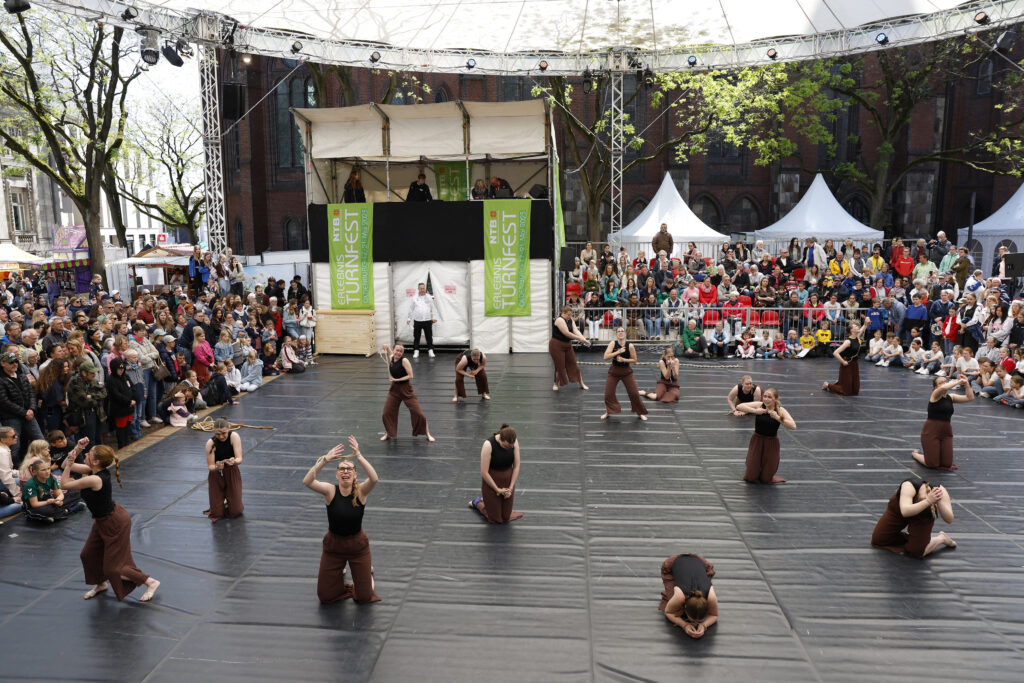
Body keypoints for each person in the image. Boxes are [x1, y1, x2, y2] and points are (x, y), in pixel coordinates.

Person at [59, 443, 160, 601]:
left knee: (114, 568)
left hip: (114, 522)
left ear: (96, 461)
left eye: (88, 453)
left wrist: (71, 462)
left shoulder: (94, 479)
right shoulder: (91, 470)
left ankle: (150, 581)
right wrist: (77, 448)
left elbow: (63, 484)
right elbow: (65, 464)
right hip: (102, 520)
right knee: (87, 555)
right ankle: (100, 584)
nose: (85, 454)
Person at [302, 436, 380, 604]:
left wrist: (358, 455)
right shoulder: (330, 491)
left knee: (364, 597)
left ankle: (368, 573)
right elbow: (307, 481)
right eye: (342, 469)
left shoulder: (361, 492)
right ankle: (340, 571)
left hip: (357, 546)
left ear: (354, 474)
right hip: (334, 547)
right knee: (325, 596)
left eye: (349, 469)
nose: (345, 471)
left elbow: (374, 478)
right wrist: (325, 459)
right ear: (337, 474)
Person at [871, 479, 956, 558]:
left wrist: (938, 501)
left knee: (917, 551)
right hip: (900, 510)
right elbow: (905, 511)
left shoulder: (940, 491)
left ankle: (941, 538)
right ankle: (920, 540)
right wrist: (928, 501)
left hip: (923, 517)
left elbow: (949, 519)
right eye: (922, 498)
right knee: (879, 540)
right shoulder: (909, 486)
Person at [911, 377, 975, 470]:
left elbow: (970, 397)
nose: (944, 384)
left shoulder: (951, 397)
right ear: (935, 387)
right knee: (932, 464)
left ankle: (930, 454)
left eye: (945, 381)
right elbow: (943, 388)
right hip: (931, 430)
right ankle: (915, 454)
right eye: (940, 383)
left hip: (946, 431)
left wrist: (967, 385)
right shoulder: (935, 395)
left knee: (946, 464)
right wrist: (957, 381)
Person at [737, 388, 796, 484]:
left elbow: (793, 426)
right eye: (764, 396)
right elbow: (739, 406)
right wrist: (755, 411)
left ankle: (765, 472)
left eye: (769, 397)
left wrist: (777, 417)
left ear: (775, 399)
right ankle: (755, 469)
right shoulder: (760, 405)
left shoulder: (780, 410)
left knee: (766, 479)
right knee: (751, 477)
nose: (766, 399)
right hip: (757, 440)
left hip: (771, 442)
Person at [468, 424, 523, 523]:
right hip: (492, 481)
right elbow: (484, 472)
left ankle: (489, 502)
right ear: (501, 440)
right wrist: (497, 489)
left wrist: (510, 488)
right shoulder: (488, 445)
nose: (508, 449)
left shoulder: (514, 442)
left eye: (510, 447)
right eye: (506, 447)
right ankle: (478, 502)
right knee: (495, 519)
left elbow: (516, 466)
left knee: (506, 517)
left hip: (508, 480)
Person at [380, 344, 435, 442]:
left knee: (418, 413)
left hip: (406, 390)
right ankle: (389, 433)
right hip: (394, 390)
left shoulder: (404, 361)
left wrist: (396, 379)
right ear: (394, 350)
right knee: (386, 413)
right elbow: (390, 353)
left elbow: (411, 375)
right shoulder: (392, 358)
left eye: (401, 351)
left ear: (403, 353)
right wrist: (387, 347)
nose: (398, 352)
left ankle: (427, 433)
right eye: (397, 350)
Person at [658, 553, 719, 639]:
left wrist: (704, 625)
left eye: (699, 621)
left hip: (699, 561)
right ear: (685, 606)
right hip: (673, 563)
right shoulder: (680, 597)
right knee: (671, 601)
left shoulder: (711, 597)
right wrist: (684, 625)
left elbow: (714, 615)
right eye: (693, 621)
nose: (695, 624)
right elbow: (668, 612)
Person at [0, 350, 42, 465]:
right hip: (11, 417)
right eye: (11, 362)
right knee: (13, 447)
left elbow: (32, 394)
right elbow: (4, 401)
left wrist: (32, 410)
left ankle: (41, 465)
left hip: (29, 415)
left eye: (16, 361)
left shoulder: (22, 376)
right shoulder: (1, 379)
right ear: (3, 363)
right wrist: (24, 412)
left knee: (40, 440)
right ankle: (12, 471)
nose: (14, 364)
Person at [600, 327, 648, 421]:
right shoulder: (613, 343)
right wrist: (617, 352)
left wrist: (624, 359)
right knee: (608, 394)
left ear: (625, 334)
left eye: (622, 331)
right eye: (619, 331)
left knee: (634, 393)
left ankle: (640, 412)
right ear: (616, 334)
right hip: (614, 371)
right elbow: (605, 357)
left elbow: (635, 360)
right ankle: (608, 411)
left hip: (626, 372)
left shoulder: (630, 346)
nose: (621, 333)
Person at [204, 418, 244, 522]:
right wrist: (217, 467)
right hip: (216, 473)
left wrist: (233, 461)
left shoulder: (234, 436)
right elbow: (210, 466)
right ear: (214, 432)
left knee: (236, 511)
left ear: (229, 429)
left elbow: (239, 459)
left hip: (231, 469)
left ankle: (229, 500)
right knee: (217, 513)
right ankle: (221, 501)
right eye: (218, 434)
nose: (221, 436)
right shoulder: (210, 443)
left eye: (224, 433)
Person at [549, 305, 590, 392]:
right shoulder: (559, 320)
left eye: (570, 315)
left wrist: (583, 339)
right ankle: (555, 383)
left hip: (567, 345)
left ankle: (581, 383)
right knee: (560, 366)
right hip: (556, 345)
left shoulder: (570, 320)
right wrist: (580, 339)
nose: (569, 317)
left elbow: (575, 330)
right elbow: (567, 333)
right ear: (563, 313)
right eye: (568, 315)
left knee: (573, 364)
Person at [823, 323, 863, 395]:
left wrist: (866, 324)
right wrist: (843, 362)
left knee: (855, 391)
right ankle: (827, 385)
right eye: (856, 326)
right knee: (846, 391)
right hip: (847, 364)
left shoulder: (857, 337)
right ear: (852, 330)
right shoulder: (848, 342)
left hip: (855, 364)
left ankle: (841, 382)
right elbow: (835, 353)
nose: (858, 327)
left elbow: (863, 329)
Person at [407, 282, 437, 359]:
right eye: (421, 288)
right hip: (417, 320)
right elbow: (411, 309)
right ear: (418, 289)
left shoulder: (429, 297)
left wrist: (434, 317)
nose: (422, 290)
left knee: (429, 336)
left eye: (423, 288)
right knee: (416, 337)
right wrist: (409, 318)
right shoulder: (414, 298)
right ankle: (416, 351)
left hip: (427, 320)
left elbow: (432, 307)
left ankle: (430, 350)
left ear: (425, 289)